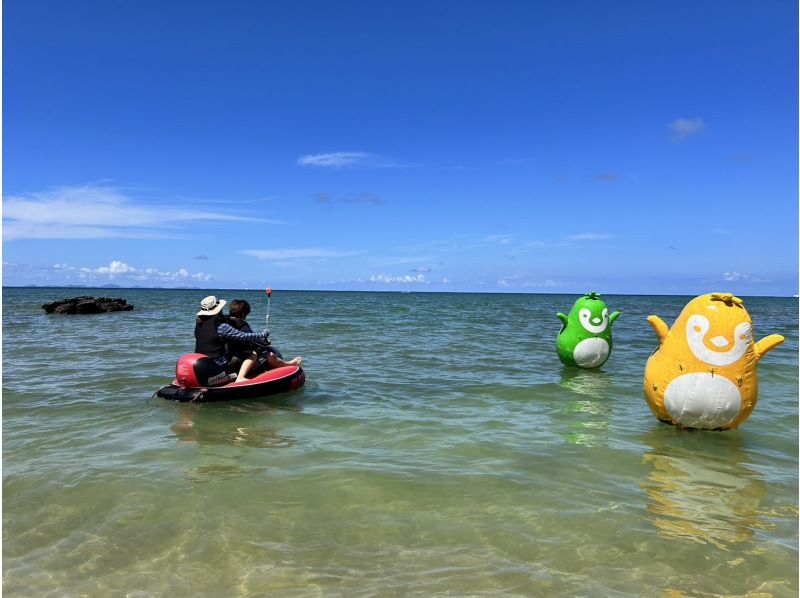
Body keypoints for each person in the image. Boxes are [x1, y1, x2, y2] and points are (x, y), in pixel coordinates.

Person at [226, 298, 302, 381]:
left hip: (227, 357)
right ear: (244, 313)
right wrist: (264, 342)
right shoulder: (241, 324)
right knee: (267, 353)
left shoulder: (225, 322)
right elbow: (253, 340)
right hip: (237, 360)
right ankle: (288, 364)